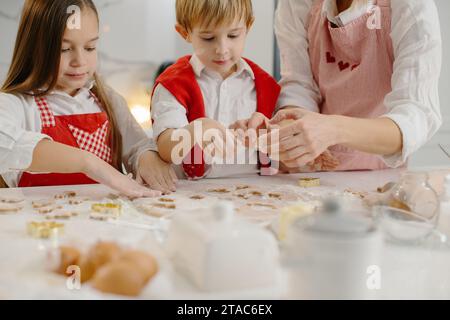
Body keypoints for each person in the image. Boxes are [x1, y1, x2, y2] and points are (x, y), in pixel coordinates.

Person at [236, 0, 442, 172]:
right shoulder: (296, 4)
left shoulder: (411, 7)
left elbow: (414, 117)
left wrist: (332, 129)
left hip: (379, 176)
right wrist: (288, 130)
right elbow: (299, 84)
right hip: (311, 173)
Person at [0, 0, 176, 196]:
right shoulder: (18, 104)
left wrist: (146, 156)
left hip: (106, 221)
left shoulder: (108, 100)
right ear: (34, 49)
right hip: (40, 224)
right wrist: (88, 163)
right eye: (64, 49)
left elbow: (138, 146)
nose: (80, 61)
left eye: (90, 47)